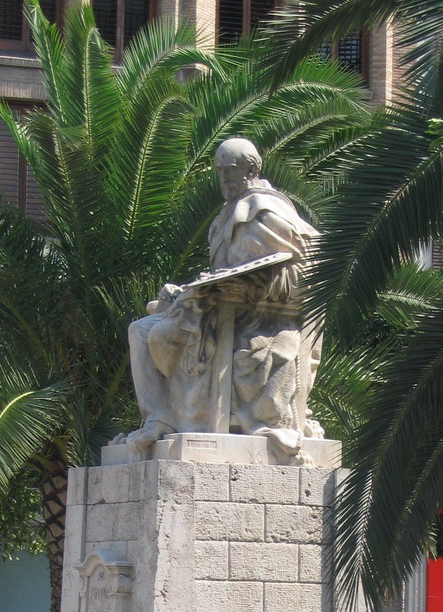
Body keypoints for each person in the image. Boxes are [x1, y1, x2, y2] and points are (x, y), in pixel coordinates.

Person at [123, 138, 323, 455]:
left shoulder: (267, 211)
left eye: (231, 171)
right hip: (214, 307)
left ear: (252, 168)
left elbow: (309, 277)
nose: (224, 179)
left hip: (254, 318)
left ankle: (192, 418)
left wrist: (244, 290)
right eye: (220, 171)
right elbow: (224, 272)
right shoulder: (227, 214)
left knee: (163, 332)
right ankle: (159, 420)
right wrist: (186, 290)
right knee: (140, 329)